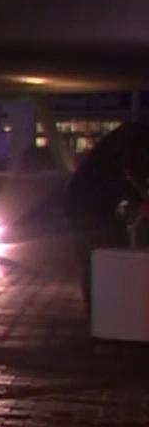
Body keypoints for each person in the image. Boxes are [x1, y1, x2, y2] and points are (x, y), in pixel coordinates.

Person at [64, 119, 149, 307]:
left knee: (101, 255)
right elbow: (134, 174)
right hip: (89, 204)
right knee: (102, 254)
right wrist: (143, 198)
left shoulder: (134, 135)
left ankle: (103, 307)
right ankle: (103, 307)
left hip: (89, 201)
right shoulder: (139, 138)